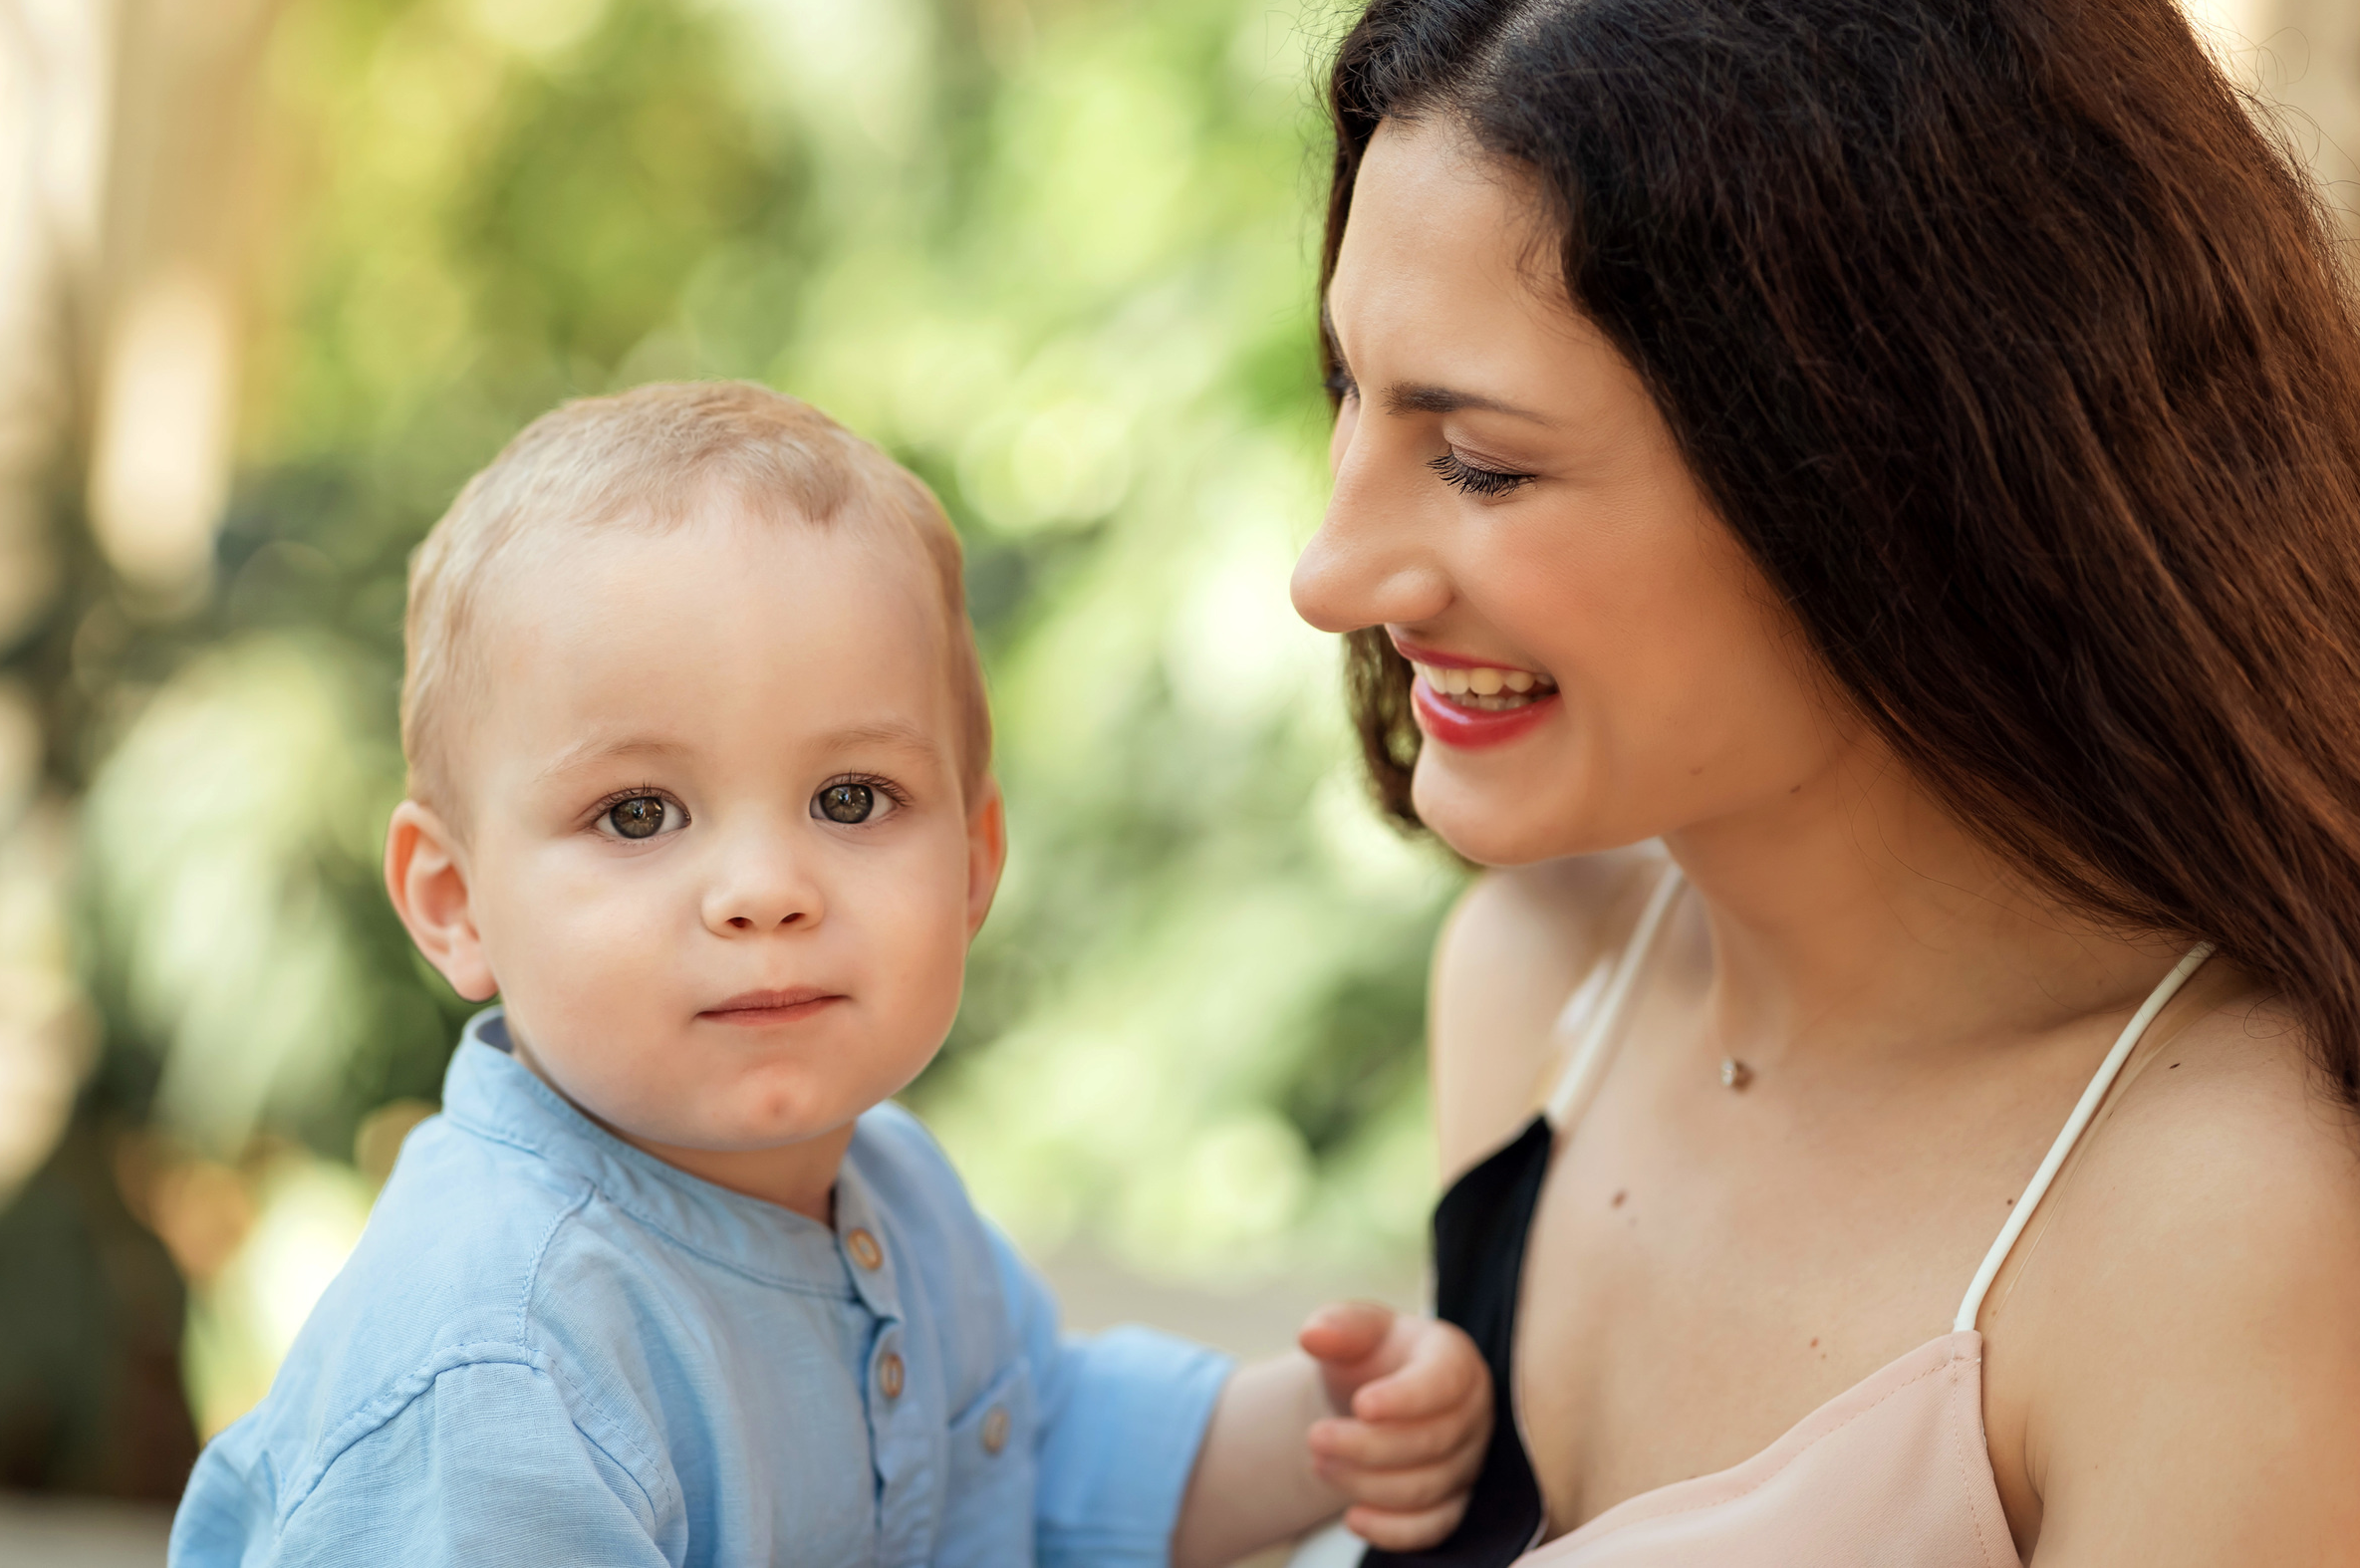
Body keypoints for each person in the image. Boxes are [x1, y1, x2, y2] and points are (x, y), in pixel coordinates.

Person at [1288, 0, 2360, 1562]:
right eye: (1349, 391)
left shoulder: (2237, 1226)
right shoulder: (1539, 979)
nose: (1329, 572)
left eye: (1482, 459)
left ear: (1886, 478)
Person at [166, 382, 1489, 1567]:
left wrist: (1325, 1433)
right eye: (638, 815)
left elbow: (1038, 1454)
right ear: (455, 905)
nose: (766, 890)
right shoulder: (503, 1360)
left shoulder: (891, 1197)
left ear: (975, 861)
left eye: (851, 798)